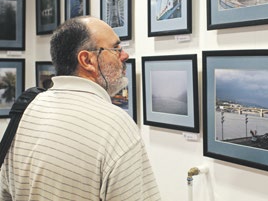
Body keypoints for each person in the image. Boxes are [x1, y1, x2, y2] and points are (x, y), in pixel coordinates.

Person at [0, 16, 161, 201]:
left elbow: (5, 193)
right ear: (87, 60)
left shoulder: (27, 112)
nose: (125, 55)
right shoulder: (115, 125)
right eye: (116, 49)